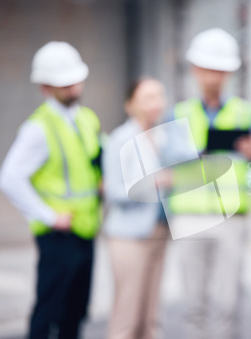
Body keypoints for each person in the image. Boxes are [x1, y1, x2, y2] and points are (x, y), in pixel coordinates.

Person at [0, 41, 102, 339]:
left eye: (75, 80)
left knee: (75, 312)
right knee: (48, 311)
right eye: (64, 83)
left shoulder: (87, 119)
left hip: (85, 231)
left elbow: (92, 162)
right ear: (45, 87)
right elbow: (9, 178)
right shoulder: (38, 129)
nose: (73, 87)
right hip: (58, 236)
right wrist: (47, 215)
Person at [170, 28, 251, 339]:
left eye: (220, 70)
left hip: (230, 217)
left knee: (228, 303)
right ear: (196, 70)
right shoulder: (178, 114)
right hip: (189, 217)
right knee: (193, 303)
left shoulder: (245, 113)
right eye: (208, 69)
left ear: (229, 74)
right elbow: (165, 163)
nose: (213, 77)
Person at [103, 78, 171, 339]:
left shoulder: (164, 136)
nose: (155, 103)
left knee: (151, 320)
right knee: (126, 320)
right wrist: (154, 182)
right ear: (130, 104)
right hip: (128, 237)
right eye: (147, 98)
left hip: (159, 232)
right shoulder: (121, 139)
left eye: (159, 96)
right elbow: (114, 191)